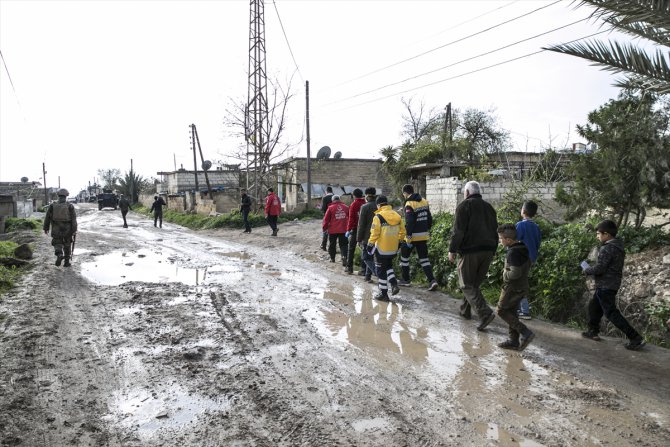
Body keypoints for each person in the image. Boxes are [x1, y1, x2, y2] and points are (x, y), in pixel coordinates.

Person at [581, 220, 645, 350]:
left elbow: (600, 268)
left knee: (611, 313)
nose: (597, 236)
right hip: (612, 284)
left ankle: (635, 337)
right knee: (594, 307)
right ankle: (593, 331)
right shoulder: (619, 247)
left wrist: (587, 270)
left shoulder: (607, 248)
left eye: (599, 233)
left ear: (607, 234)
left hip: (605, 285)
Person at [448, 181, 498, 331]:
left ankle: (485, 314)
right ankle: (465, 310)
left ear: (468, 193)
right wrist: (493, 250)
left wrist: (452, 250)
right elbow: (495, 230)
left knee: (466, 284)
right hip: (488, 250)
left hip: (471, 251)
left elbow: (458, 231)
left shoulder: (464, 206)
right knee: (473, 284)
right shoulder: (489, 207)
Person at [496, 224, 535, 351]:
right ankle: (513, 341)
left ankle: (525, 332)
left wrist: (504, 274)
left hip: (512, 288)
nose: (500, 241)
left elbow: (515, 273)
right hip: (522, 286)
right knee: (511, 312)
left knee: (501, 311)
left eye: (501, 239)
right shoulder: (522, 247)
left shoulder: (512, 253)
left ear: (508, 240)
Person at [398, 184, 438, 291]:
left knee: (404, 257)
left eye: (404, 194)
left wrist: (408, 235)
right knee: (424, 259)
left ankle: (405, 280)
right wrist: (427, 229)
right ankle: (432, 281)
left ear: (405, 193)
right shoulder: (424, 201)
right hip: (423, 235)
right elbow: (429, 218)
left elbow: (410, 222)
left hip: (412, 237)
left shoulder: (409, 204)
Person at [367, 195, 405, 301]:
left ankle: (383, 294)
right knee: (388, 266)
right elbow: (403, 232)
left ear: (378, 205)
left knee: (380, 271)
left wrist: (370, 245)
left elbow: (374, 233)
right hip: (393, 248)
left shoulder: (378, 217)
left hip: (381, 249)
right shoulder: (397, 215)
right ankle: (394, 284)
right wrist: (399, 243)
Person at [515, 200, 541, 320]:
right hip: (531, 258)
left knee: (518, 282)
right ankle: (519, 309)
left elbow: (515, 241)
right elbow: (537, 243)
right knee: (522, 281)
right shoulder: (536, 227)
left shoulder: (520, 225)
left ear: (523, 211)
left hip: (520, 258)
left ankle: (524, 310)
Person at [43, 188, 77, 267]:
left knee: (57, 243)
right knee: (67, 244)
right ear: (66, 196)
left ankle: (59, 254)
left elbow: (47, 217)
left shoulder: (52, 205)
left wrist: (46, 228)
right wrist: (74, 230)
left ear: (58, 196)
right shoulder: (70, 206)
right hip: (67, 228)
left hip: (56, 227)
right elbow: (73, 219)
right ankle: (66, 262)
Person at [356, 187, 378, 282]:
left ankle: (378, 273)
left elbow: (361, 225)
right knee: (372, 257)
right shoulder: (379, 206)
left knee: (365, 257)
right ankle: (367, 276)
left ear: (366, 195)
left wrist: (358, 239)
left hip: (367, 237)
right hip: (378, 236)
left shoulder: (365, 207)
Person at [323, 195, 349, 265]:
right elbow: (349, 218)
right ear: (339, 200)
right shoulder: (346, 207)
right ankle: (344, 256)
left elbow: (326, 219)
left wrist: (324, 228)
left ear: (333, 200)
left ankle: (332, 258)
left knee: (332, 244)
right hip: (343, 229)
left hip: (332, 230)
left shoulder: (330, 208)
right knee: (343, 245)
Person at [345, 188, 366, 274]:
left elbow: (351, 219)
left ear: (354, 195)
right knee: (364, 249)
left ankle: (349, 268)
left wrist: (348, 230)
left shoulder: (354, 204)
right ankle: (364, 270)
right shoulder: (365, 203)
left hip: (355, 229)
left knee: (351, 248)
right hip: (365, 229)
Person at [320, 186, 334, 250]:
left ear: (326, 191)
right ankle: (332, 247)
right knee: (334, 231)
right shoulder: (335, 197)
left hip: (327, 216)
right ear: (332, 191)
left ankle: (324, 245)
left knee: (325, 230)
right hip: (335, 217)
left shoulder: (325, 198)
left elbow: (323, 208)